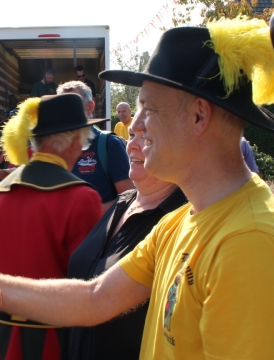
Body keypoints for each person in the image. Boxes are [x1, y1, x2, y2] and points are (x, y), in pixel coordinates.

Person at [0, 20, 274, 359]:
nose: (136, 125)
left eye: (149, 108)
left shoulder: (249, 245)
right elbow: (95, 298)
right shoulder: (180, 221)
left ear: (199, 116)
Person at [0, 93, 104, 360]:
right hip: (58, 342)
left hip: (4, 339)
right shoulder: (81, 198)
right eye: (84, 140)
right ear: (74, 139)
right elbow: (90, 292)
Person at [63, 108, 187, 360]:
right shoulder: (123, 202)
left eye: (146, 137)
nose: (132, 145)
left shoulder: (182, 218)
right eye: (131, 135)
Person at [58, 81, 133, 212]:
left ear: (90, 107)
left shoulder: (109, 144)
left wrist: (84, 213)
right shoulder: (56, 148)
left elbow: (129, 199)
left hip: (102, 225)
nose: (66, 112)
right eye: (62, 106)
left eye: (72, 105)